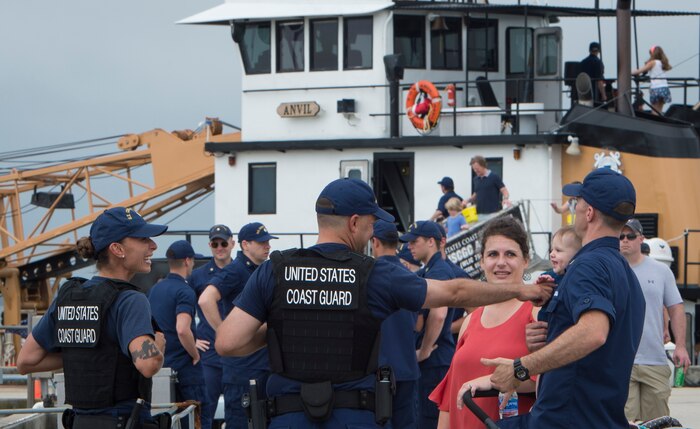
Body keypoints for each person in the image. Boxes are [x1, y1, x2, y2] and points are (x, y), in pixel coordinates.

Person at [214, 178, 552, 429]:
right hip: (354, 417)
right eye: (371, 223)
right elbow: (454, 294)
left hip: (286, 417)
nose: (371, 232)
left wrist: (281, 328)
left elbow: (228, 343)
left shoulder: (273, 270)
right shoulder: (374, 275)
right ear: (354, 223)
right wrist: (519, 292)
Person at [481, 168, 646, 429]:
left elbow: (593, 332)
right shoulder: (624, 272)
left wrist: (520, 368)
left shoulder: (588, 265)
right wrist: (552, 334)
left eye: (576, 202)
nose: (573, 208)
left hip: (566, 419)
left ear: (589, 212)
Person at [17, 207, 168, 428]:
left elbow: (25, 361)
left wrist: (88, 354)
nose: (153, 246)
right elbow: (148, 364)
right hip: (121, 420)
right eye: (143, 239)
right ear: (117, 249)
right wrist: (159, 346)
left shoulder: (67, 297)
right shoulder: (130, 300)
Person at [431, 217, 538, 428]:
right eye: (492, 254)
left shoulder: (536, 313)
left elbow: (551, 380)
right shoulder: (470, 321)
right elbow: (449, 401)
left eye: (510, 254)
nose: (500, 262)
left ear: (525, 260)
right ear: (481, 261)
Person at [199, 222, 277, 429]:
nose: (267, 246)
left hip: (259, 365)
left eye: (268, 242)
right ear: (245, 244)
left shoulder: (258, 271)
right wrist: (224, 333)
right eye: (261, 242)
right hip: (242, 370)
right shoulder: (236, 270)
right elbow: (206, 299)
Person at [620, 219, 691, 422]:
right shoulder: (611, 269)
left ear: (641, 239)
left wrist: (681, 346)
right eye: (621, 236)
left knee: (658, 422)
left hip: (654, 359)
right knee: (623, 422)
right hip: (622, 361)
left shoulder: (661, 271)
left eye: (630, 236)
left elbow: (676, 307)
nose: (625, 240)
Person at [148, 240, 210, 429]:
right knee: (197, 418)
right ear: (187, 261)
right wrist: (195, 353)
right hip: (185, 371)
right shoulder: (185, 291)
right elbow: (182, 329)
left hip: (162, 369)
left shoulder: (154, 290)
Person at [400, 221, 456, 429]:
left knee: (430, 421)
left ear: (431, 242)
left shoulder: (438, 271)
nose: (409, 247)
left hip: (435, 359)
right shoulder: (429, 270)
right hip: (434, 360)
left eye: (415, 241)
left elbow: (439, 314)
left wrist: (423, 350)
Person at [371, 220, 420, 429]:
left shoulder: (368, 276)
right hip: (407, 366)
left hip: (377, 370)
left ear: (375, 242)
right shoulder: (412, 277)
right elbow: (418, 324)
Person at [188, 224, 234, 427]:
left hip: (237, 352)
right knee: (206, 409)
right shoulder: (198, 276)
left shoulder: (240, 271)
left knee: (239, 409)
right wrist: (193, 339)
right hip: (209, 354)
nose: (219, 247)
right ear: (209, 245)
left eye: (223, 242)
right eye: (215, 243)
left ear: (232, 243)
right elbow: (183, 310)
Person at [632, 46, 672, 115]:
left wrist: (629, 72)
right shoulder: (662, 63)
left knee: (654, 112)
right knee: (659, 111)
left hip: (656, 89)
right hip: (664, 88)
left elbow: (640, 71)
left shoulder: (652, 62)